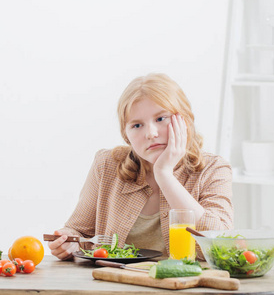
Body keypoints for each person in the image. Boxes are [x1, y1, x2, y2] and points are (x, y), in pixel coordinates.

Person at [48, 73, 233, 260]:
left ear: (184, 121)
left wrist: (164, 174)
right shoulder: (107, 165)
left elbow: (220, 243)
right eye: (137, 125)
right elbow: (79, 231)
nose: (151, 134)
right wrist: (68, 242)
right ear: (126, 134)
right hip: (115, 284)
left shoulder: (214, 169)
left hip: (182, 285)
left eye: (161, 119)